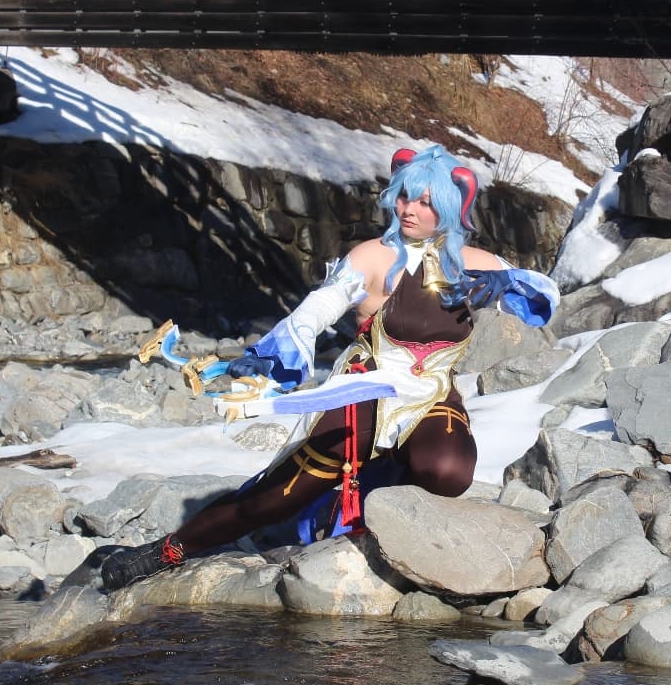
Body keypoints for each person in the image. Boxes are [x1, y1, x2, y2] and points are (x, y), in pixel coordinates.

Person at [100, 144, 559, 591]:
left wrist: (507, 282)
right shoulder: (373, 257)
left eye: (425, 202)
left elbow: (546, 297)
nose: (409, 209)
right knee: (273, 498)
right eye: (404, 196)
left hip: (431, 398)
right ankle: (166, 551)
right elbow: (317, 309)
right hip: (362, 395)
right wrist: (276, 352)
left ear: (450, 207)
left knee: (448, 469)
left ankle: (390, 530)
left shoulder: (473, 265)